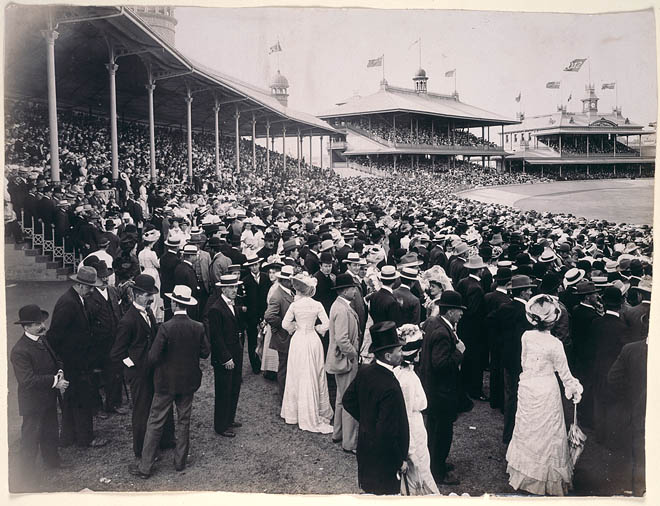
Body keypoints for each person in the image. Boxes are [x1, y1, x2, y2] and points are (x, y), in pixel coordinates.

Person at [505, 294, 583, 496]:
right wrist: (574, 389)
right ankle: (545, 478)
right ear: (554, 320)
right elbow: (565, 374)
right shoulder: (555, 344)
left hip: (528, 385)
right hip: (546, 388)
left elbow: (524, 362)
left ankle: (526, 473)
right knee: (548, 432)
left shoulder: (526, 336)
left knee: (528, 429)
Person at [129, 285, 210, 478]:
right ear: (187, 305)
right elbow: (205, 353)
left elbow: (153, 357)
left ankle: (145, 466)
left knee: (155, 421)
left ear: (174, 303)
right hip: (188, 382)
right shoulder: (198, 327)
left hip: (165, 383)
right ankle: (180, 462)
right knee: (184, 421)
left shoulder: (165, 328)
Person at [110, 274, 174, 458]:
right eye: (147, 294)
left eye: (152, 294)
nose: (151, 298)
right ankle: (141, 449)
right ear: (137, 294)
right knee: (142, 411)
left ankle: (165, 440)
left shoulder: (149, 312)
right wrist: (133, 366)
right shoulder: (127, 321)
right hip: (139, 375)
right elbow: (117, 353)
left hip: (154, 370)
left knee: (162, 405)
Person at [343, 321, 409, 495]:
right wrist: (399, 461)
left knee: (368, 491)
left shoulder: (365, 371)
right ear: (388, 356)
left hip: (366, 448)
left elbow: (348, 400)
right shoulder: (391, 387)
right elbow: (387, 433)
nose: (402, 353)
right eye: (399, 350)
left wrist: (367, 419)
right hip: (384, 460)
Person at [46, 266, 108, 448]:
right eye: (90, 287)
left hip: (79, 360)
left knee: (72, 399)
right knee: (82, 399)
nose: (91, 291)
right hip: (75, 362)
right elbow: (54, 335)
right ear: (80, 285)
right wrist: (63, 359)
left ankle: (68, 436)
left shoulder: (77, 299)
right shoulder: (68, 303)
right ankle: (85, 438)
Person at [11, 305, 69, 481]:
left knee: (50, 431)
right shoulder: (20, 350)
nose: (42, 326)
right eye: (37, 323)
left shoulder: (42, 339)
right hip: (33, 403)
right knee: (31, 438)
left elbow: (56, 358)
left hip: (48, 398)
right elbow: (27, 381)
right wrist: (55, 382)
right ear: (25, 327)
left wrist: (59, 371)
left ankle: (52, 460)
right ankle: (26, 474)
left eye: (42, 322)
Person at [419, 290, 466, 486]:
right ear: (449, 312)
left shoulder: (435, 323)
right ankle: (438, 472)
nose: (462, 314)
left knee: (434, 431)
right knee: (442, 433)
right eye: (459, 310)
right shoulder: (441, 332)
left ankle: (436, 464)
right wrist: (458, 352)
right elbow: (440, 365)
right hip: (441, 392)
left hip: (434, 390)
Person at [280, 273, 333, 433]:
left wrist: (294, 327)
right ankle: (315, 409)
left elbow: (284, 324)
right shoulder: (317, 304)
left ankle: (295, 412)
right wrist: (318, 329)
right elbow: (327, 323)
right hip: (312, 339)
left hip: (299, 341)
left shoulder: (295, 306)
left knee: (297, 373)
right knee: (314, 373)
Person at [394, 324, 439, 495]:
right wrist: (409, 450)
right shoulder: (407, 379)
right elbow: (404, 415)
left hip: (416, 424)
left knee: (423, 466)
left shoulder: (403, 373)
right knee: (419, 468)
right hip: (413, 428)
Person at [206, 274, 245, 437]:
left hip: (235, 351)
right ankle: (221, 426)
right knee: (224, 390)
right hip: (225, 356)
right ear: (223, 289)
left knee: (234, 386)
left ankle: (229, 419)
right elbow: (216, 337)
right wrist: (225, 358)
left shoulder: (232, 304)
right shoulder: (216, 308)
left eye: (235, 287)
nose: (234, 290)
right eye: (231, 287)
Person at [607, 336, 647, 497]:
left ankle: (639, 490)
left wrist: (632, 396)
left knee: (639, 450)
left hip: (638, 410)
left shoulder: (631, 349)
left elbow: (613, 379)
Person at [326, 273, 360, 451]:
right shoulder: (341, 309)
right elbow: (342, 339)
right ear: (345, 290)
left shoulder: (340, 305)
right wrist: (354, 355)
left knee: (341, 398)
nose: (355, 291)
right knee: (349, 400)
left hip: (342, 360)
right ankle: (350, 442)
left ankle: (338, 433)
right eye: (353, 288)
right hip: (345, 361)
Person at [264, 264, 296, 399]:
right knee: (283, 368)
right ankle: (283, 398)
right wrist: (285, 324)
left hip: (287, 336)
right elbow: (269, 316)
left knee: (288, 366)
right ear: (285, 280)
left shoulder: (288, 292)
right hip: (283, 337)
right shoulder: (277, 295)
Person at [241, 254, 265, 373]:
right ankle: (255, 364)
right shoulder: (245, 281)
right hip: (251, 316)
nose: (254, 267)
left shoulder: (265, 278)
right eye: (252, 266)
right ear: (249, 267)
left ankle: (266, 363)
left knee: (265, 339)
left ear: (259, 264)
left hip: (264, 314)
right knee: (252, 340)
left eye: (256, 264)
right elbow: (244, 300)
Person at [138, 229, 164, 322]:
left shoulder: (140, 253)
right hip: (152, 272)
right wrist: (160, 260)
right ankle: (154, 314)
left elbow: (140, 265)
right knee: (155, 295)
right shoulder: (152, 253)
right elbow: (157, 265)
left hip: (144, 271)